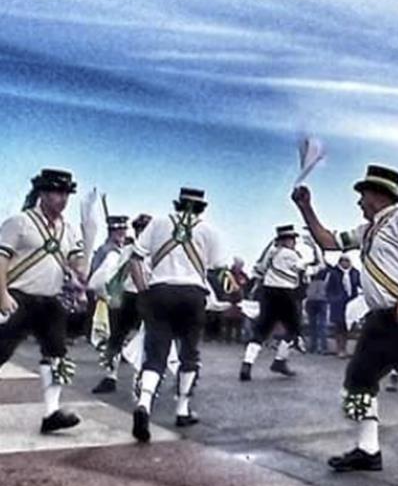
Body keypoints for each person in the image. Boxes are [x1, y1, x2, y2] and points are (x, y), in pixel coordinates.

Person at [292, 164, 398, 472]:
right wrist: (306, 208)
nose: (358, 201)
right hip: (380, 317)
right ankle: (368, 450)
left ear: (378, 196)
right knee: (359, 378)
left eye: (362, 195)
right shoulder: (367, 230)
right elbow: (329, 242)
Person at [129, 187, 225, 441]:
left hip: (160, 292)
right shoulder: (209, 230)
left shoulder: (159, 222)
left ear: (178, 205)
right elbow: (215, 266)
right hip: (192, 294)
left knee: (156, 354)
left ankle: (144, 404)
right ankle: (182, 410)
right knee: (188, 353)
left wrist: (143, 291)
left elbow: (135, 257)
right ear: (202, 208)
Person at [0, 168, 87, 434]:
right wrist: (2, 294)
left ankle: (51, 413)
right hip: (18, 297)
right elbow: (1, 259)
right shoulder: (20, 222)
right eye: (57, 192)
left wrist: (81, 266)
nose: (63, 198)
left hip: (50, 300)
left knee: (57, 355)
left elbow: (76, 263)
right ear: (43, 193)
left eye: (66, 193)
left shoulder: (68, 229)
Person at [241, 225, 316, 380]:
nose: (294, 242)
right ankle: (279, 361)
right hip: (286, 293)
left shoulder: (270, 252)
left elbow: (259, 269)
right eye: (292, 239)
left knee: (261, 330)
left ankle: (247, 365)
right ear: (286, 240)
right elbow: (309, 269)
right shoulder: (291, 255)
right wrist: (314, 247)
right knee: (293, 330)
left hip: (268, 292)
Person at [90, 214, 152, 394]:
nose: (143, 232)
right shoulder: (128, 250)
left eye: (146, 229)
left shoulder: (156, 251)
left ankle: (143, 377)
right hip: (128, 297)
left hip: (148, 296)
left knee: (148, 338)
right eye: (140, 229)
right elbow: (111, 273)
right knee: (116, 337)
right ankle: (110, 376)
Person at [326, 254, 361, 358]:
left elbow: (359, 285)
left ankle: (345, 348)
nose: (345, 263)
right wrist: (333, 298)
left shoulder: (355, 272)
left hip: (351, 303)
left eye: (347, 261)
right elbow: (329, 288)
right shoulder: (334, 273)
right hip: (338, 303)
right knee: (339, 327)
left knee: (349, 326)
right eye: (343, 261)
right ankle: (339, 349)